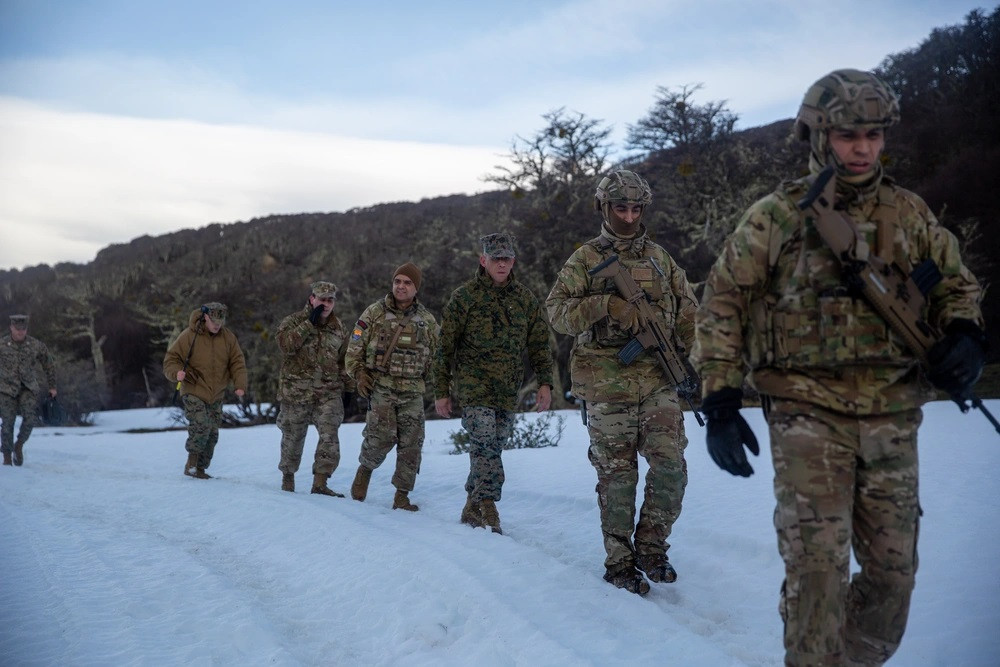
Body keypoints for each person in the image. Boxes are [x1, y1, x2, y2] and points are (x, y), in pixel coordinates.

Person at [692, 69, 985, 665]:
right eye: (850, 134)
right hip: (806, 412)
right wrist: (720, 401)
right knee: (817, 573)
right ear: (820, 135)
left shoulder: (909, 213)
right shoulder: (775, 217)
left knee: (892, 580)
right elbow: (722, 302)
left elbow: (957, 284)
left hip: (893, 411)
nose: (863, 148)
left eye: (874, 135)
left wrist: (965, 335)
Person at [546, 170, 699, 596]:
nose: (629, 216)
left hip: (656, 380)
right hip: (605, 384)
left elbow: (688, 313)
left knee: (671, 469)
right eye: (620, 207)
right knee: (618, 477)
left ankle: (651, 548)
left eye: (636, 208)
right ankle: (619, 562)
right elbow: (556, 313)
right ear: (604, 207)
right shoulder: (585, 259)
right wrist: (606, 305)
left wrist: (699, 362)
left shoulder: (660, 259)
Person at [433, 232, 554, 534]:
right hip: (474, 387)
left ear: (513, 261)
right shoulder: (465, 298)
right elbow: (444, 349)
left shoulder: (524, 299)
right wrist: (442, 391)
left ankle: (471, 506)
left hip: (507, 388)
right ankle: (488, 507)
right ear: (482, 260)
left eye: (507, 258)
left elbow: (539, 344)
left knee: (493, 446)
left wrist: (545, 383)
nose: (501, 264)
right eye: (495, 258)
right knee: (484, 441)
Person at [346, 263, 439, 510]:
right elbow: (354, 348)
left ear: (416, 288)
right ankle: (365, 469)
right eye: (397, 281)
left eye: (407, 282)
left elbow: (438, 358)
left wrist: (437, 386)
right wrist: (358, 374)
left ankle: (402, 496)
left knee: (412, 444)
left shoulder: (427, 321)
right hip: (382, 388)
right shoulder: (374, 313)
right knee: (380, 438)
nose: (401, 286)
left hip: (413, 392)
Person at [275, 281, 352, 497]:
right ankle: (288, 479)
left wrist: (349, 389)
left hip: (328, 392)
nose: (325, 304)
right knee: (293, 437)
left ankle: (320, 483)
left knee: (329, 436)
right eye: (321, 299)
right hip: (296, 392)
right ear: (312, 299)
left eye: (330, 300)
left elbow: (345, 360)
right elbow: (286, 346)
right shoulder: (293, 321)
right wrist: (308, 323)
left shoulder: (339, 328)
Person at [163, 302, 247, 479]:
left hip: (216, 394)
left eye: (220, 321)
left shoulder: (228, 338)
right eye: (214, 320)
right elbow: (171, 359)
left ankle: (201, 469)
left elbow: (237, 362)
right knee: (201, 425)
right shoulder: (188, 336)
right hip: (193, 388)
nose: (217, 325)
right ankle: (191, 465)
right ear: (205, 317)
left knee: (212, 433)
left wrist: (240, 384)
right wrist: (176, 373)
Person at [1, 314, 57, 467]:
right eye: (17, 329)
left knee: (30, 419)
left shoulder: (35, 345)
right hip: (6, 389)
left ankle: (18, 445)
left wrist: (52, 386)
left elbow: (49, 363)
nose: (20, 332)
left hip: (28, 388)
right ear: (11, 327)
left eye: (23, 329)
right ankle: (7, 457)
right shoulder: (2, 345)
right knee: (7, 423)